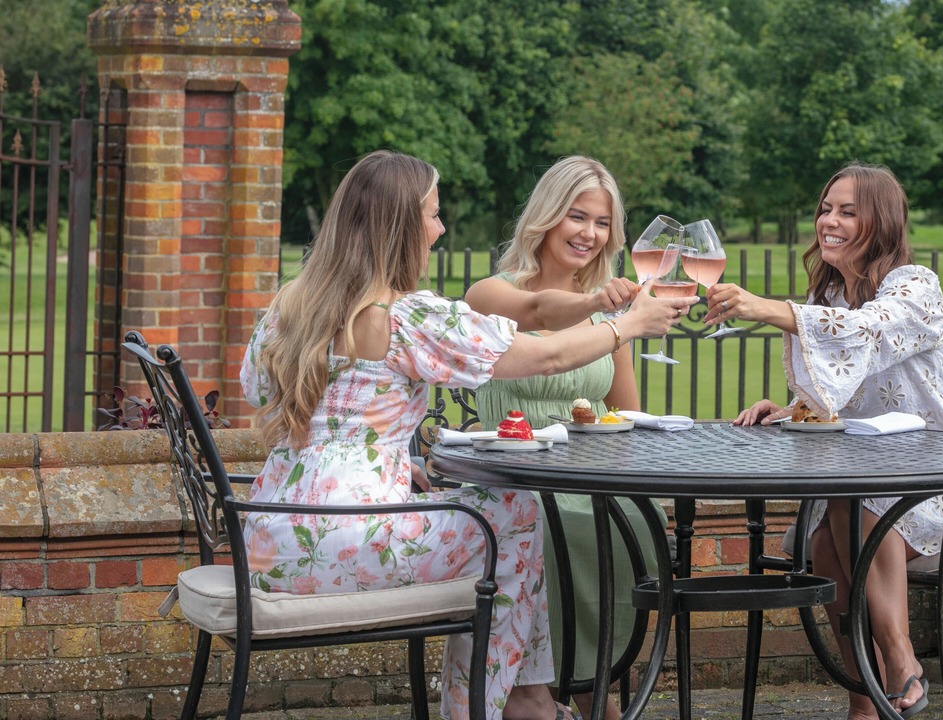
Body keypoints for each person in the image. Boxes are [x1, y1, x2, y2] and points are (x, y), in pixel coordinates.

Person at [238, 150, 696, 720]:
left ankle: (531, 702)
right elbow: (547, 356)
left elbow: (262, 396)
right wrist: (625, 325)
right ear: (401, 227)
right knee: (514, 513)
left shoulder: (289, 303)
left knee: (500, 515)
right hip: (345, 540)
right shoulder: (405, 316)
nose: (441, 227)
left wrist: (392, 461)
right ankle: (484, 709)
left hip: (262, 538)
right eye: (432, 214)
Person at [703, 162, 943, 720]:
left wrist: (765, 309)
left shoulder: (916, 285)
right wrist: (792, 409)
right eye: (826, 208)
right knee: (829, 533)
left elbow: (867, 335)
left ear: (883, 222)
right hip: (867, 484)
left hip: (940, 481)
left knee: (850, 504)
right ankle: (869, 703)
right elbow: (840, 394)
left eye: (848, 211)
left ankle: (897, 664)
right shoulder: (830, 292)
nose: (830, 220)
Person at [465, 156, 658, 720]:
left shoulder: (611, 311)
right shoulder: (490, 294)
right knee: (553, 523)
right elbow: (539, 314)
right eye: (577, 217)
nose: (589, 235)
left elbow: (626, 411)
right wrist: (606, 310)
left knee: (638, 519)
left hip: (592, 468)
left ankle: (595, 683)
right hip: (516, 470)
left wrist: (611, 313)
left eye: (602, 224)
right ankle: (563, 692)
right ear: (546, 218)